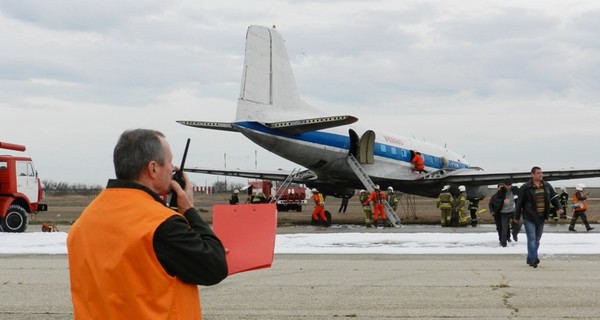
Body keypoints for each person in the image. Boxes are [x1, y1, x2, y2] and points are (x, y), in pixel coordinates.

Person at [67, 129, 228, 319]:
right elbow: (214, 266)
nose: (173, 168)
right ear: (153, 168)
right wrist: (190, 212)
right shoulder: (161, 224)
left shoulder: (82, 224)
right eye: (169, 162)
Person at [514, 166, 563, 268]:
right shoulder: (526, 187)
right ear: (532, 174)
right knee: (531, 240)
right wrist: (516, 216)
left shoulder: (546, 185)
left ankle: (530, 258)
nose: (541, 175)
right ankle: (534, 260)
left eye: (541, 173)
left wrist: (559, 207)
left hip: (541, 217)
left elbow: (554, 197)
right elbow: (519, 203)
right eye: (538, 173)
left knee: (537, 240)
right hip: (529, 217)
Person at [491, 179, 519, 247]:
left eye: (510, 185)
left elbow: (520, 197)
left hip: (513, 211)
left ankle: (514, 234)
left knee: (519, 223)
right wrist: (503, 201)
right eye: (507, 185)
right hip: (504, 213)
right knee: (504, 228)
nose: (508, 187)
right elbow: (494, 202)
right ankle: (503, 243)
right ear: (504, 185)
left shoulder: (515, 190)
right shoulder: (500, 192)